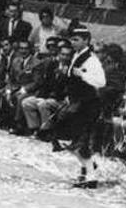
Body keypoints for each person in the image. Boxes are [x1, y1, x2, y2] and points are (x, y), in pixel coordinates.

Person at [49, 24, 106, 187]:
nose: (73, 42)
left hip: (87, 105)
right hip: (76, 103)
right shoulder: (76, 55)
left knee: (79, 140)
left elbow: (101, 82)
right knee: (67, 138)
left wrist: (82, 74)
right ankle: (87, 168)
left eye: (76, 39)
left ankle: (91, 178)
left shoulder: (92, 59)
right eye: (72, 39)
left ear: (86, 40)